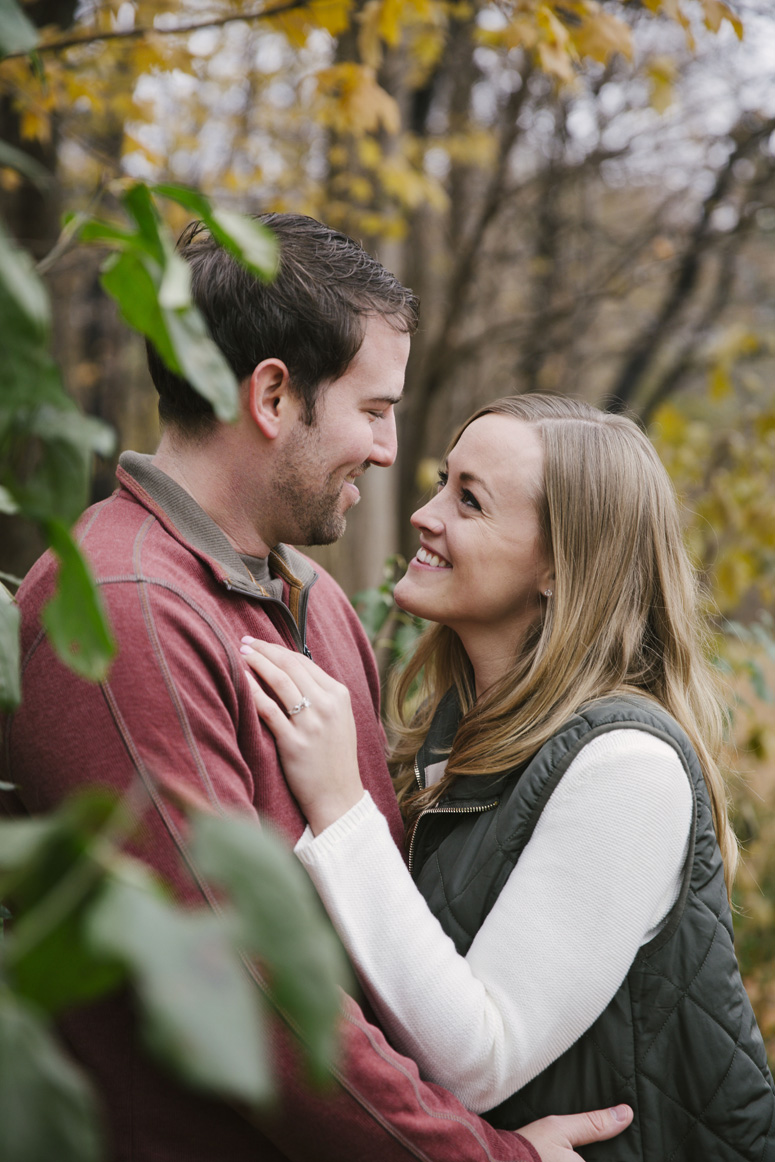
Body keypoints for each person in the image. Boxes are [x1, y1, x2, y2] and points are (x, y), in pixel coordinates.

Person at [0, 221, 633, 1162]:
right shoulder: (125, 608)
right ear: (271, 395)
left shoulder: (315, 600)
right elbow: (247, 989)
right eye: (374, 411)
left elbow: (365, 948)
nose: (386, 451)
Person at [242, 393, 775, 1161]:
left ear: (559, 566)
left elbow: (481, 1058)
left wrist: (339, 805)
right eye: (440, 483)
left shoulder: (626, 767)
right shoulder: (455, 739)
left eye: (469, 501)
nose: (426, 515)